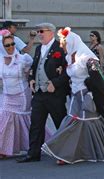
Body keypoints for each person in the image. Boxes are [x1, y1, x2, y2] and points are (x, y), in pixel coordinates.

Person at [41, 28, 104, 165]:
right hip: (74, 95)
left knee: (82, 123)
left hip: (86, 97)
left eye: (63, 43)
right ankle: (70, 153)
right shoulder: (70, 57)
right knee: (74, 122)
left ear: (71, 42)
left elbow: (99, 76)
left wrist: (91, 82)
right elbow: (68, 75)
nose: (61, 46)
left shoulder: (87, 58)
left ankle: (70, 153)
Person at [17, 23, 70, 163]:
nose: (39, 34)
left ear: (51, 33)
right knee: (36, 124)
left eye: (41, 31)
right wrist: (31, 79)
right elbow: (34, 67)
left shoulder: (61, 47)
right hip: (40, 93)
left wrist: (56, 83)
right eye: (38, 31)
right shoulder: (39, 48)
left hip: (55, 94)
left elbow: (68, 70)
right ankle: (33, 153)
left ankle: (66, 152)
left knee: (61, 123)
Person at [0, 33, 50, 159]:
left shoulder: (24, 59)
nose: (10, 47)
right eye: (7, 45)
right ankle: (3, 149)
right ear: (3, 46)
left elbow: (33, 73)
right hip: (7, 95)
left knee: (26, 121)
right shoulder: (0, 61)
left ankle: (39, 144)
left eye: (12, 44)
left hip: (22, 95)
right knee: (4, 120)